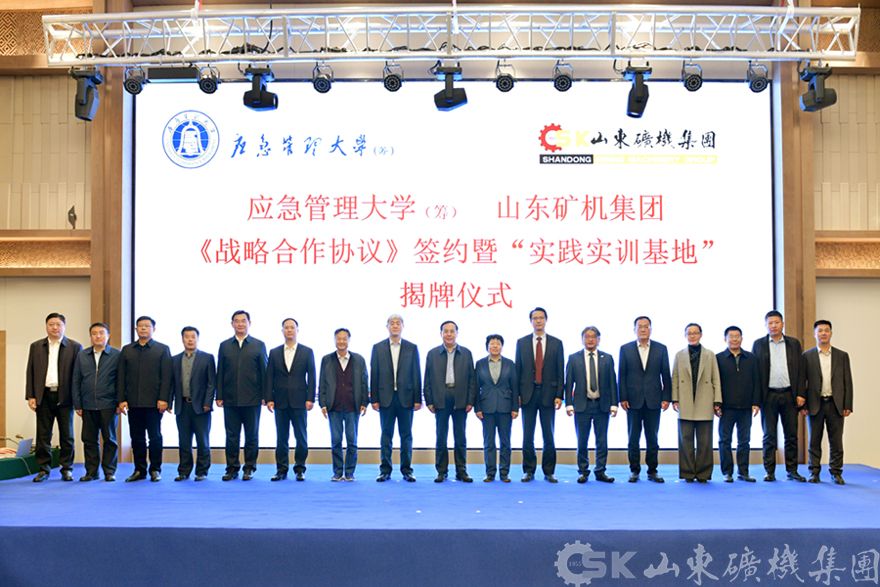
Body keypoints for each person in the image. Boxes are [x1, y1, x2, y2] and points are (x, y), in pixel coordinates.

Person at [25, 312, 82, 482]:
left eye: (58, 324)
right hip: (43, 395)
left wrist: (77, 399)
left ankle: (67, 469)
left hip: (65, 396)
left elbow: (78, 376)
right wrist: (30, 395)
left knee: (67, 435)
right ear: (46, 326)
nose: (55, 327)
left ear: (64, 326)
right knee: (43, 435)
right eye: (51, 324)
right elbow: (30, 371)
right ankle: (44, 469)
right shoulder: (36, 346)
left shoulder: (74, 347)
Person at [751, 310, 806, 482]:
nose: (773, 326)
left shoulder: (794, 344)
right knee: (769, 436)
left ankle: (792, 470)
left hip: (790, 394)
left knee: (791, 435)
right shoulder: (758, 344)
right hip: (768, 396)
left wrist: (801, 393)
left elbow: (801, 370)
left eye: (777, 322)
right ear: (765, 325)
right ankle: (769, 471)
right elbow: (755, 374)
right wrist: (756, 400)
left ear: (782, 324)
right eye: (770, 323)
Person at [117, 315, 173, 482]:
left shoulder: (162, 349)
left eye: (147, 326)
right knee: (137, 438)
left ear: (153, 329)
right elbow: (121, 376)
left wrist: (164, 399)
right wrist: (121, 399)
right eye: (140, 326)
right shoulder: (127, 350)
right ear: (136, 329)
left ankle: (155, 469)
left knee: (155, 437)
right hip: (133, 402)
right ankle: (139, 470)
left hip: (155, 403)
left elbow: (167, 377)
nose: (143, 328)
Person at [798, 320, 854, 485]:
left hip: (835, 404)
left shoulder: (842, 356)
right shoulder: (807, 356)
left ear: (831, 333)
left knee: (836, 441)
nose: (823, 333)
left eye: (826, 330)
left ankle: (836, 473)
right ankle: (814, 472)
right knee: (814, 441)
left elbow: (847, 381)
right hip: (815, 404)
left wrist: (847, 404)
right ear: (815, 334)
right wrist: (803, 405)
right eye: (820, 331)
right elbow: (802, 382)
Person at [618, 316, 672, 483]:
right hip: (632, 401)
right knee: (633, 438)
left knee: (652, 438)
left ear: (651, 329)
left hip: (654, 400)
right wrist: (623, 397)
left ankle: (652, 470)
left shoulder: (661, 349)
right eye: (640, 326)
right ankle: (634, 470)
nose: (643, 329)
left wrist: (666, 398)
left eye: (646, 326)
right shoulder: (625, 349)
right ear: (634, 329)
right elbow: (622, 375)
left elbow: (666, 375)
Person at [216, 310, 268, 481]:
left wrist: (265, 395)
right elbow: (220, 372)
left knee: (251, 436)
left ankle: (249, 468)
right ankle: (232, 468)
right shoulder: (224, 345)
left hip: (252, 399)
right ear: (232, 324)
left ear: (249, 323)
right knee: (231, 436)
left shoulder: (258, 345)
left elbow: (264, 372)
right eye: (236, 321)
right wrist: (219, 395)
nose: (240, 324)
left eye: (243, 321)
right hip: (230, 399)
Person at [515, 307, 564, 483]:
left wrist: (559, 395)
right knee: (527, 435)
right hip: (527, 394)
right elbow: (518, 370)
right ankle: (529, 470)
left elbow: (560, 370)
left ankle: (549, 471)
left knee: (548, 435)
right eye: (535, 318)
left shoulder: (556, 343)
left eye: (541, 318)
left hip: (548, 394)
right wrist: (517, 395)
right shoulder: (521, 342)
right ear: (531, 321)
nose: (538, 321)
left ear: (546, 320)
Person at [370, 314, 422, 482]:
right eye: (391, 323)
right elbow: (374, 374)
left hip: (406, 398)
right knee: (386, 435)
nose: (395, 326)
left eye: (398, 323)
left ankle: (407, 470)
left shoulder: (411, 348)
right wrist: (374, 398)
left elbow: (416, 373)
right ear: (387, 327)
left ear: (402, 326)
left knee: (406, 436)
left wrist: (418, 398)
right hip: (385, 398)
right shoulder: (378, 348)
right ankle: (385, 470)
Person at [424, 320, 476, 483]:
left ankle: (461, 471)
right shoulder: (432, 354)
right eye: (445, 331)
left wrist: (470, 400)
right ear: (441, 334)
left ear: (457, 333)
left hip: (460, 397)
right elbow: (427, 379)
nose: (449, 334)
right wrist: (429, 400)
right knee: (441, 436)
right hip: (441, 396)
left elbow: (472, 379)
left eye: (452, 331)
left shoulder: (466, 353)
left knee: (460, 437)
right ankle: (441, 471)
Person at [565, 326, 619, 484]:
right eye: (587, 337)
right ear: (582, 339)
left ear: (598, 340)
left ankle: (600, 471)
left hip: (602, 405)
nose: (590, 339)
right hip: (582, 405)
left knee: (602, 441)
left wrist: (614, 404)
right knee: (582, 441)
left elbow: (612, 382)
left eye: (593, 337)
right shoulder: (574, 358)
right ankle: (583, 471)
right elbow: (569, 383)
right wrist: (568, 404)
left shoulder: (607, 358)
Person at [266, 318, 316, 481]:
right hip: (280, 401)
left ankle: (300, 468)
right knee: (281, 438)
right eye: (286, 327)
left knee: (301, 437)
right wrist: (269, 398)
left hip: (300, 401)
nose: (289, 330)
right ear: (282, 331)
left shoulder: (307, 351)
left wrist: (310, 398)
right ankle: (281, 469)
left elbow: (312, 376)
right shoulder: (274, 352)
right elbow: (269, 377)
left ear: (297, 330)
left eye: (292, 327)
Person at [671, 323, 722, 483]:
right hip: (685, 400)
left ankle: (703, 473)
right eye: (689, 333)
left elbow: (716, 378)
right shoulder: (679, 355)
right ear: (685, 335)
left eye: (695, 333)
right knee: (685, 439)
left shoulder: (710, 354)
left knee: (705, 441)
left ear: (701, 334)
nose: (692, 335)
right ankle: (687, 473)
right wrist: (675, 399)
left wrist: (717, 400)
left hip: (705, 400)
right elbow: (675, 378)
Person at [318, 328, 369, 481]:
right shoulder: (327, 360)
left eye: (344, 338)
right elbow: (322, 383)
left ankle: (350, 472)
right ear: (335, 340)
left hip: (353, 406)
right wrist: (322, 403)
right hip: (333, 406)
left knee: (352, 441)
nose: (341, 341)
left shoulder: (358, 360)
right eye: (338, 338)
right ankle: (338, 472)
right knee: (336, 441)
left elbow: (364, 382)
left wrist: (364, 402)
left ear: (349, 340)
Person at [71, 322, 118, 482]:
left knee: (110, 439)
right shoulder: (82, 355)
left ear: (108, 336)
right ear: (90, 336)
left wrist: (119, 402)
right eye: (94, 333)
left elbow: (121, 380)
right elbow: (76, 380)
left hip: (109, 404)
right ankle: (91, 472)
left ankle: (109, 471)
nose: (98, 336)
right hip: (88, 404)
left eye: (101, 333)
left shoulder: (116, 355)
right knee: (89, 440)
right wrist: (78, 404)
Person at [716, 326, 761, 483]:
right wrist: (716, 404)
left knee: (744, 441)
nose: (734, 339)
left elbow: (757, 381)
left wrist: (756, 402)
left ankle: (743, 472)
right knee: (724, 440)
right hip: (726, 408)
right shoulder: (718, 358)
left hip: (746, 407)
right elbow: (715, 383)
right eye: (731, 336)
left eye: (737, 336)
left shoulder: (751, 358)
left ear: (742, 338)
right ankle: (727, 472)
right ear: (725, 339)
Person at [171, 326, 215, 482]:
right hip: (182, 406)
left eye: (193, 337)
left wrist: (208, 403)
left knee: (203, 441)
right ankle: (184, 471)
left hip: (201, 407)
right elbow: (171, 384)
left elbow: (211, 383)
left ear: (197, 339)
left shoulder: (207, 358)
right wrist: (169, 403)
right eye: (187, 337)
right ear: (182, 339)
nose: (190, 340)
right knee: (184, 441)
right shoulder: (175, 359)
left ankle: (202, 471)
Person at [474, 334, 518, 483]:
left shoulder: (510, 364)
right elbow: (476, 388)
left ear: (502, 346)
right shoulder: (480, 364)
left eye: (498, 344)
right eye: (492, 344)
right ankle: (490, 473)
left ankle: (504, 473)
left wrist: (515, 408)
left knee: (505, 442)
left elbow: (515, 387)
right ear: (487, 346)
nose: (495, 346)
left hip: (506, 408)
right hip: (486, 408)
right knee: (489, 443)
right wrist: (477, 408)